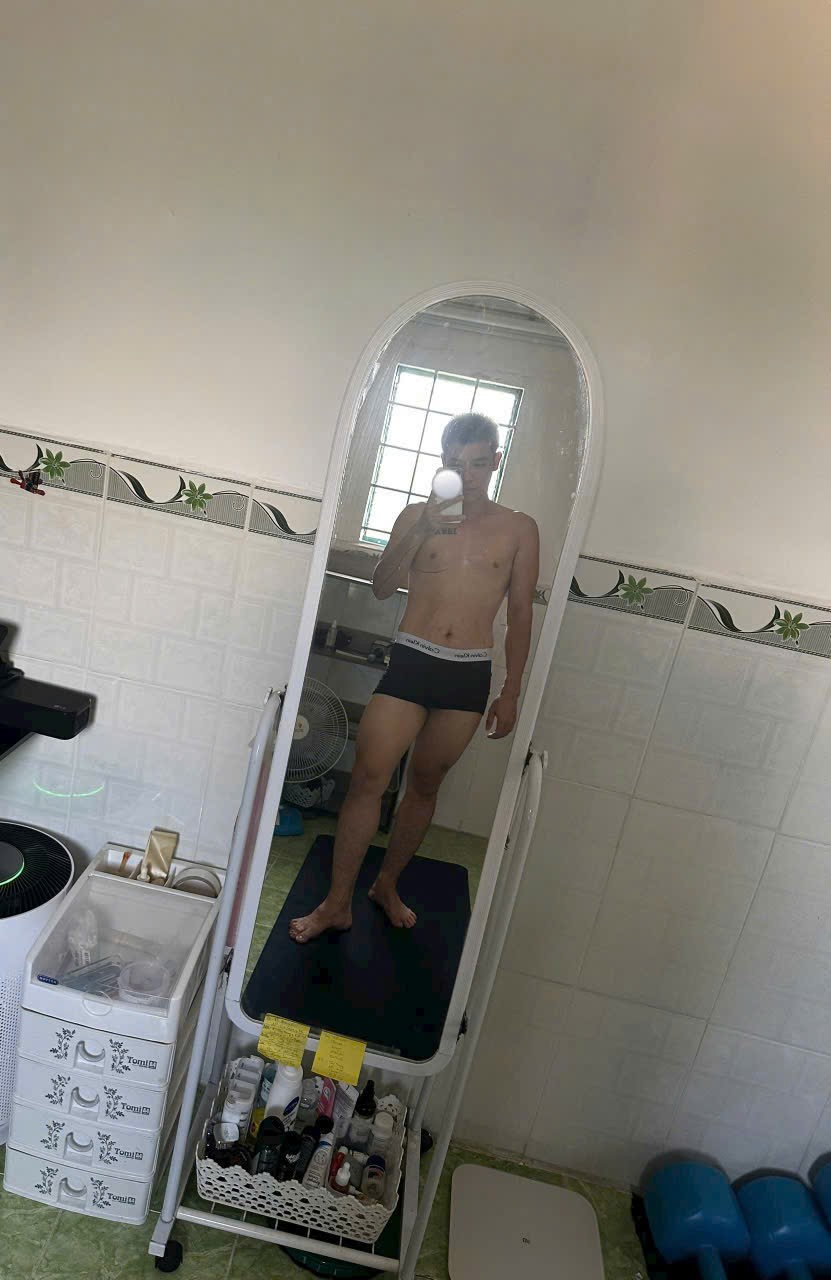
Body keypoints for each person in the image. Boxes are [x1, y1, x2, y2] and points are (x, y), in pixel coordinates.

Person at [289, 412, 539, 943]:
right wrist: (422, 527)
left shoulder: (519, 529)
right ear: (441, 462)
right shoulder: (415, 516)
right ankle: (337, 902)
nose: (466, 476)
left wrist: (512, 690)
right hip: (412, 659)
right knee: (368, 778)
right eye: (455, 464)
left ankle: (386, 884)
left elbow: (520, 613)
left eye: (478, 464)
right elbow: (382, 586)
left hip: (469, 672)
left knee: (425, 785)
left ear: (495, 462)